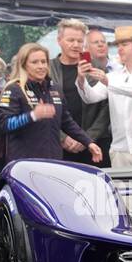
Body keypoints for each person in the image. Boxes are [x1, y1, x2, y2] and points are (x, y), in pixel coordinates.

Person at [0, 43, 102, 166]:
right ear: (24, 65)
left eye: (43, 61)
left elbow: (66, 121)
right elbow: (3, 125)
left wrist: (88, 142)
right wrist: (33, 116)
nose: (41, 66)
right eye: (35, 62)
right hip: (24, 163)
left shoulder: (54, 88)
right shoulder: (14, 89)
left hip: (53, 160)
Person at [78, 25, 132, 166]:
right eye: (118, 45)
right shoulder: (113, 76)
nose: (119, 49)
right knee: (119, 188)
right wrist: (81, 80)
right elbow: (90, 97)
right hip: (119, 149)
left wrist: (108, 82)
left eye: (124, 44)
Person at [47, 18, 93, 165]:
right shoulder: (46, 69)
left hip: (91, 143)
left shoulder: (94, 68)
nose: (76, 45)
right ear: (59, 40)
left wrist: (87, 138)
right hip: (56, 141)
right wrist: (63, 138)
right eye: (71, 40)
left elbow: (104, 109)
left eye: (80, 41)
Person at [82, 28, 113, 164]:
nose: (101, 45)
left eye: (103, 41)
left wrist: (92, 135)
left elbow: (108, 108)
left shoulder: (119, 69)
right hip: (83, 134)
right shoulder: (82, 70)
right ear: (86, 48)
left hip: (107, 136)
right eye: (96, 42)